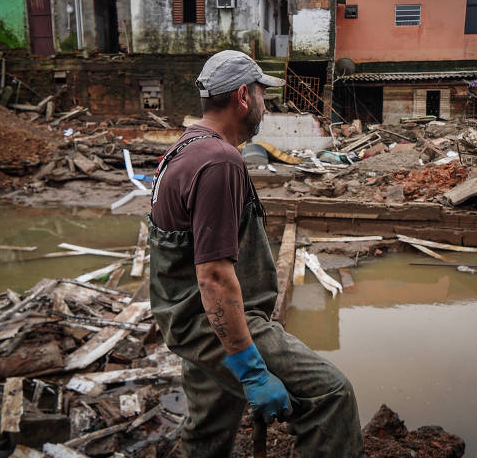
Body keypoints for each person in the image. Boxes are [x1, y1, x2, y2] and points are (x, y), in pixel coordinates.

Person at [146, 50, 364, 457]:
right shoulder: (219, 162)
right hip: (218, 322)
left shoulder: (184, 150)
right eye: (264, 95)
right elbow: (213, 275)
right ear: (243, 97)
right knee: (331, 395)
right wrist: (250, 367)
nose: (268, 105)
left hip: (190, 320)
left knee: (209, 424)